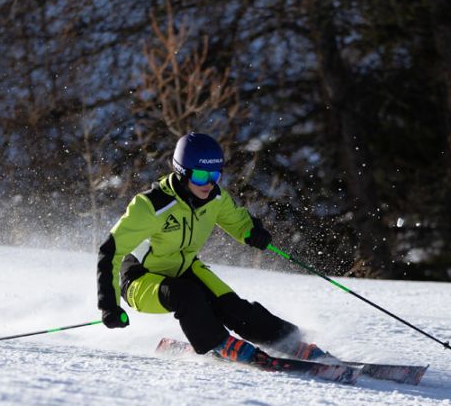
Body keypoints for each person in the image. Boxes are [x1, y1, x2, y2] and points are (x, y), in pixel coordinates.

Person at [96, 132, 330, 364]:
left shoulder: (215, 198)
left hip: (185, 268)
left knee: (233, 306)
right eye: (199, 176)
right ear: (181, 172)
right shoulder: (151, 206)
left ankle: (287, 342)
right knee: (187, 295)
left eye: (215, 176)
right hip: (141, 279)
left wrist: (252, 232)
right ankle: (218, 342)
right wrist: (109, 305)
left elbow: (237, 221)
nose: (208, 183)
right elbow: (110, 250)